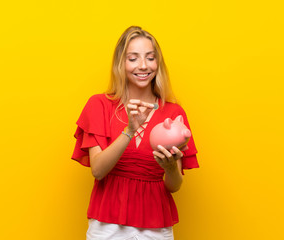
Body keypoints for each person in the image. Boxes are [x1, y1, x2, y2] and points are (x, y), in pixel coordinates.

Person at [71, 26, 199, 240]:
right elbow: (98, 171)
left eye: (150, 58)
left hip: (156, 226)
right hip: (107, 224)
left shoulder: (174, 113)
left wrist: (170, 169)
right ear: (120, 64)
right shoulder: (99, 105)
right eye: (133, 58)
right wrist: (130, 130)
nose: (143, 66)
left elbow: (174, 186)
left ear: (158, 64)